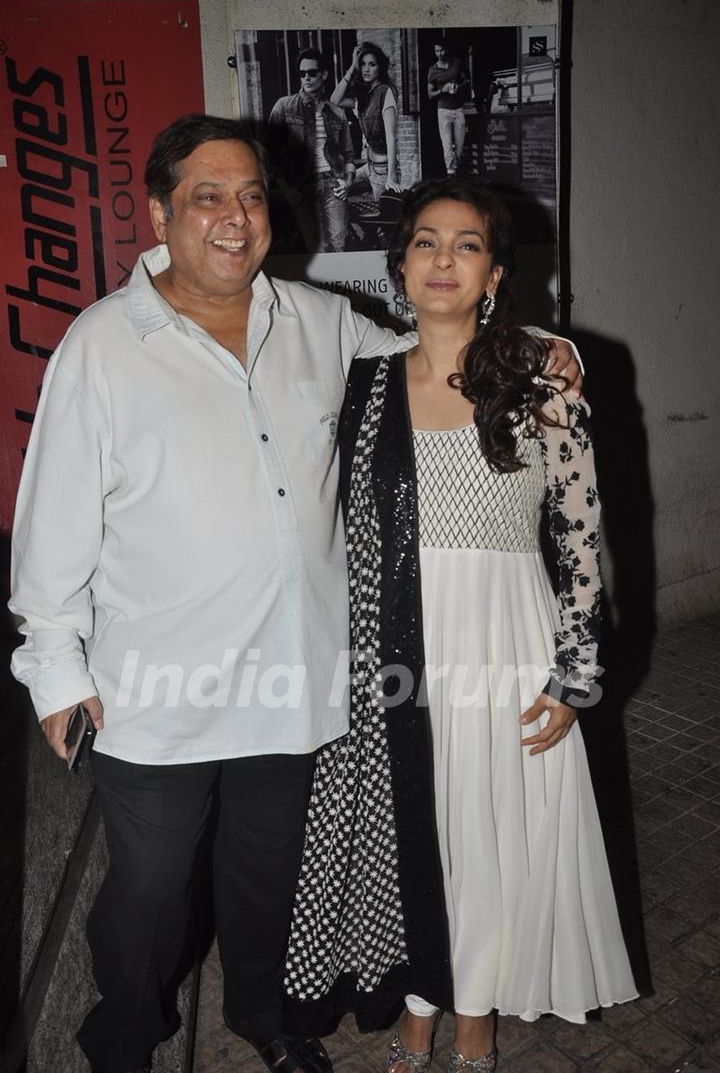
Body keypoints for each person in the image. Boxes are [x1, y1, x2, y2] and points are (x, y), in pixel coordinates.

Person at [9, 114, 577, 1073]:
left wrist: (532, 341)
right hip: (159, 689)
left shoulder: (320, 324)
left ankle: (263, 1020)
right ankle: (124, 1036)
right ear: (158, 213)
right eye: (206, 197)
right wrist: (54, 669)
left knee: (268, 876)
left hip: (292, 677)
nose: (235, 218)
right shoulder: (101, 348)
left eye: (252, 195)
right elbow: (52, 519)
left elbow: (434, 354)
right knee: (150, 889)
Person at [283, 178, 637, 1071]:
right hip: (393, 639)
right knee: (415, 828)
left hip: (506, 638)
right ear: (399, 264)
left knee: (487, 832)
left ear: (493, 271)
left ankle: (471, 1015)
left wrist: (576, 671)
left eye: (467, 244)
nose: (444, 260)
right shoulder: (361, 385)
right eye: (427, 242)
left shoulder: (540, 378)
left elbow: (583, 535)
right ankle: (417, 1000)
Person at [268, 47, 356, 252]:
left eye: (312, 72)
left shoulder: (337, 113)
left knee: (339, 245)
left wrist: (349, 181)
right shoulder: (284, 107)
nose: (306, 78)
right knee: (317, 247)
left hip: (333, 183)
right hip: (300, 186)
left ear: (324, 74)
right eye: (302, 73)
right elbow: (269, 155)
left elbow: (349, 154)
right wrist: (288, 190)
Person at [330, 41, 402, 200]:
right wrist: (351, 68)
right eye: (362, 64)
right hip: (368, 168)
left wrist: (391, 177)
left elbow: (391, 136)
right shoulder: (362, 96)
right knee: (336, 187)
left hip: (383, 171)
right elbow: (334, 102)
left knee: (384, 222)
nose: (366, 69)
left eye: (372, 64)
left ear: (380, 67)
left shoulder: (385, 92)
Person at [427, 39, 469, 175]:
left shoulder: (456, 63)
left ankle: (456, 171)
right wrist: (442, 90)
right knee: (447, 146)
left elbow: (466, 82)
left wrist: (459, 87)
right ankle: (451, 175)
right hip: (443, 110)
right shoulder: (432, 71)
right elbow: (430, 95)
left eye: (442, 50)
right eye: (436, 51)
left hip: (458, 109)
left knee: (460, 148)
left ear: (447, 49)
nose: (439, 53)